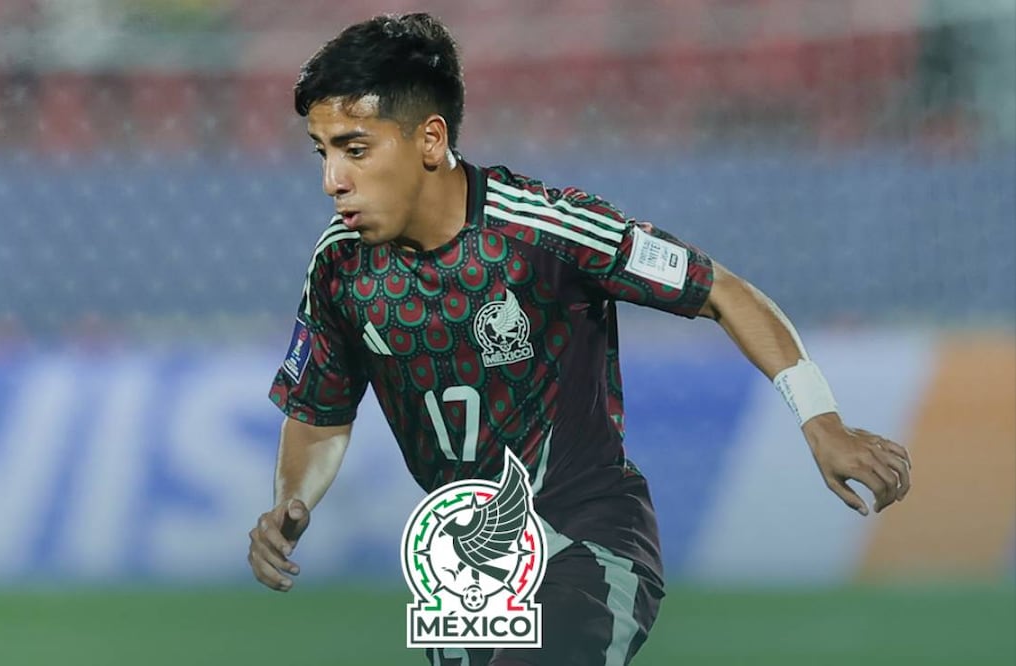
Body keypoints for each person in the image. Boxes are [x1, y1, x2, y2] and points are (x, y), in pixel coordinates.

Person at [247, 12, 912, 666]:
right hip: (467, 570)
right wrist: (293, 500)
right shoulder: (340, 266)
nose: (332, 179)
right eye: (324, 151)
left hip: (586, 539)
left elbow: (720, 291)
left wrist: (821, 419)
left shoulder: (545, 230)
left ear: (428, 139)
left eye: (355, 149)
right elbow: (321, 411)